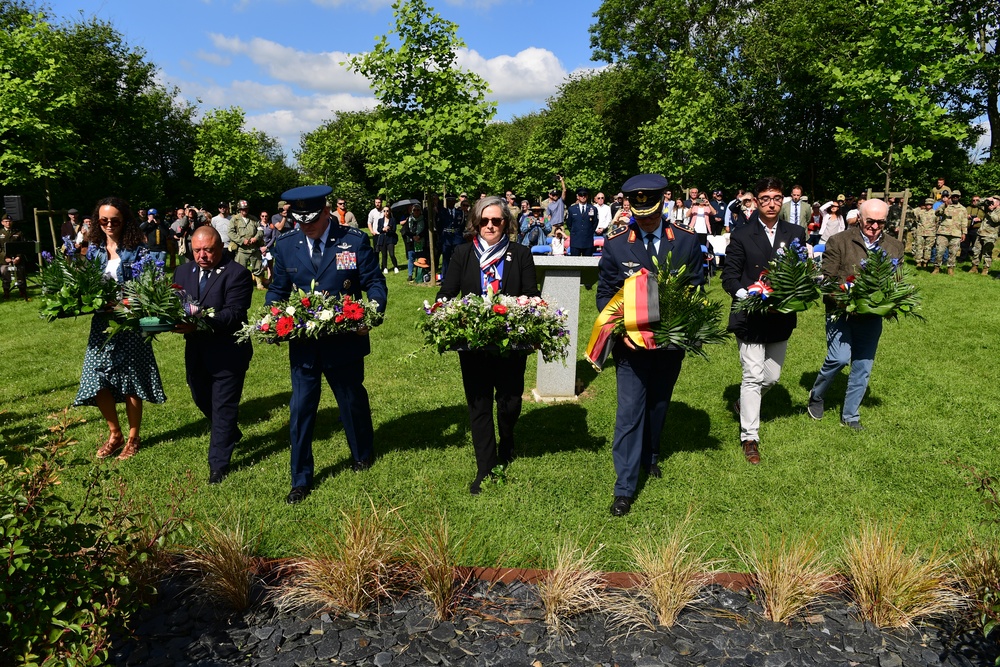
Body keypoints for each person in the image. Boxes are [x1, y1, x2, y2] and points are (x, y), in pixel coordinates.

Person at [266, 185, 387, 504]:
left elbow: (374, 283)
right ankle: (300, 478)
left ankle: (362, 454)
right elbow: (277, 290)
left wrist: (369, 315)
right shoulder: (287, 245)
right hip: (304, 344)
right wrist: (273, 315)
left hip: (344, 341)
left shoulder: (353, 240)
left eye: (312, 221)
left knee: (350, 401)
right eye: (300, 221)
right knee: (301, 408)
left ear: (325, 211)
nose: (306, 227)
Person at [597, 174, 705, 517]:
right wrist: (620, 324)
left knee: (658, 404)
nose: (645, 218)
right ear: (630, 206)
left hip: (670, 344)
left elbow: (698, 286)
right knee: (629, 412)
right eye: (639, 210)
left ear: (664, 203)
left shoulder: (686, 241)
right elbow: (604, 293)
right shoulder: (616, 245)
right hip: (630, 347)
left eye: (651, 210)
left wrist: (688, 324)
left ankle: (651, 453)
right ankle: (624, 488)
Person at [436, 196, 540, 495]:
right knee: (478, 404)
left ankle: (507, 439)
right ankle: (486, 467)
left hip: (511, 343)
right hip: (474, 344)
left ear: (506, 223)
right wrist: (441, 315)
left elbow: (531, 293)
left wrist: (532, 312)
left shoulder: (520, 254)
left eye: (496, 220)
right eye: (484, 220)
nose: (490, 225)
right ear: (475, 223)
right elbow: (447, 292)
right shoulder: (462, 253)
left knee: (509, 403)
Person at [721, 177, 807, 465]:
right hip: (750, 316)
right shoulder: (742, 234)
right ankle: (750, 437)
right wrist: (749, 294)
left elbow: (799, 270)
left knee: (771, 377)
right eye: (766, 198)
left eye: (777, 197)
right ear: (756, 201)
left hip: (781, 316)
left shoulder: (795, 232)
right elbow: (729, 276)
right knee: (752, 376)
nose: (772, 203)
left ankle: (742, 403)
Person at [75, 197, 166, 461]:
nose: (109, 225)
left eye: (114, 220)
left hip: (129, 323)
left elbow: (151, 284)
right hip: (102, 323)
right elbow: (88, 283)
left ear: (124, 220)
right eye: (104, 220)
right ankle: (114, 433)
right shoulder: (94, 249)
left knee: (131, 380)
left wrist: (127, 301)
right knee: (96, 378)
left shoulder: (138, 249)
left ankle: (133, 437)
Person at [807, 198, 904, 431]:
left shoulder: (895, 246)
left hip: (871, 315)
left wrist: (891, 303)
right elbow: (827, 279)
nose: (875, 227)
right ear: (859, 218)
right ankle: (817, 395)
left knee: (863, 365)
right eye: (870, 221)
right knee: (839, 358)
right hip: (840, 311)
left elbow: (897, 282)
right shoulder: (839, 241)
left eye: (881, 222)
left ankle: (850, 414)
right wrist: (845, 296)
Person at [172, 226, 254, 484]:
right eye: (197, 250)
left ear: (221, 248)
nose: (202, 255)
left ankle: (218, 466)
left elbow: (234, 314)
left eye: (208, 250)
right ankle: (230, 431)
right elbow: (175, 303)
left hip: (228, 351)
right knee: (200, 397)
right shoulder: (183, 271)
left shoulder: (238, 274)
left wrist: (198, 323)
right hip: (196, 350)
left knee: (223, 406)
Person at [228, 200, 267, 289]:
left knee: (258, 267)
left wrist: (256, 238)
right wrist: (241, 240)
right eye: (242, 209)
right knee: (239, 268)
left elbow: (260, 230)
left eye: (246, 209)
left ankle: (259, 284)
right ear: (239, 209)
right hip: (242, 249)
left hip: (254, 248)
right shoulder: (235, 219)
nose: (244, 210)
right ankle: (240, 285)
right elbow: (230, 232)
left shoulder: (254, 219)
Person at [932, 190, 966, 275]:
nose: (955, 198)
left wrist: (964, 233)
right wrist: (944, 205)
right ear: (951, 197)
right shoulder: (945, 206)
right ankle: (936, 268)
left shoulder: (963, 209)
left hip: (956, 233)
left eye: (957, 196)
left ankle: (950, 268)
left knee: (953, 252)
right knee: (939, 251)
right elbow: (937, 213)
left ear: (959, 198)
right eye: (953, 196)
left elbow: (964, 221)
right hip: (943, 232)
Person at [0, 214, 29, 300]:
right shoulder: (0, 233)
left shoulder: (18, 233)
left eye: (9, 221)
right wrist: (5, 257)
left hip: (17, 259)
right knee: (4, 271)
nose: (8, 223)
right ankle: (6, 292)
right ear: (2, 223)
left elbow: (22, 246)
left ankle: (22, 291)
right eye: (6, 222)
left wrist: (18, 257)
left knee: (20, 271)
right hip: (4, 260)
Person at [970, 196, 1000, 276]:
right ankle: (974, 267)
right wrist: (987, 199)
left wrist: (991, 211)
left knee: (987, 253)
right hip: (981, 233)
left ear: (998, 202)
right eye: (992, 202)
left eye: (994, 202)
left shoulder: (998, 210)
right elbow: (978, 203)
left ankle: (985, 269)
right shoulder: (987, 207)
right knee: (976, 251)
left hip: (990, 235)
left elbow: (996, 219)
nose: (992, 204)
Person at [913, 198, 938, 267]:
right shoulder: (920, 212)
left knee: (928, 248)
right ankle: (918, 262)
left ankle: (925, 262)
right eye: (927, 204)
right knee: (919, 247)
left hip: (931, 233)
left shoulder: (935, 213)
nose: (928, 205)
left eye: (930, 204)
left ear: (932, 205)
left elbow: (937, 222)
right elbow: (916, 220)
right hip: (920, 232)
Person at [375, 206, 400, 274]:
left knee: (391, 254)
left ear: (390, 211)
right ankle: (385, 267)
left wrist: (388, 229)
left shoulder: (393, 220)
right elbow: (378, 230)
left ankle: (395, 266)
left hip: (390, 239)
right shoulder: (380, 220)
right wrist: (383, 229)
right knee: (384, 254)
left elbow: (394, 230)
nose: (386, 212)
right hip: (383, 239)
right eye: (384, 211)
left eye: (387, 211)